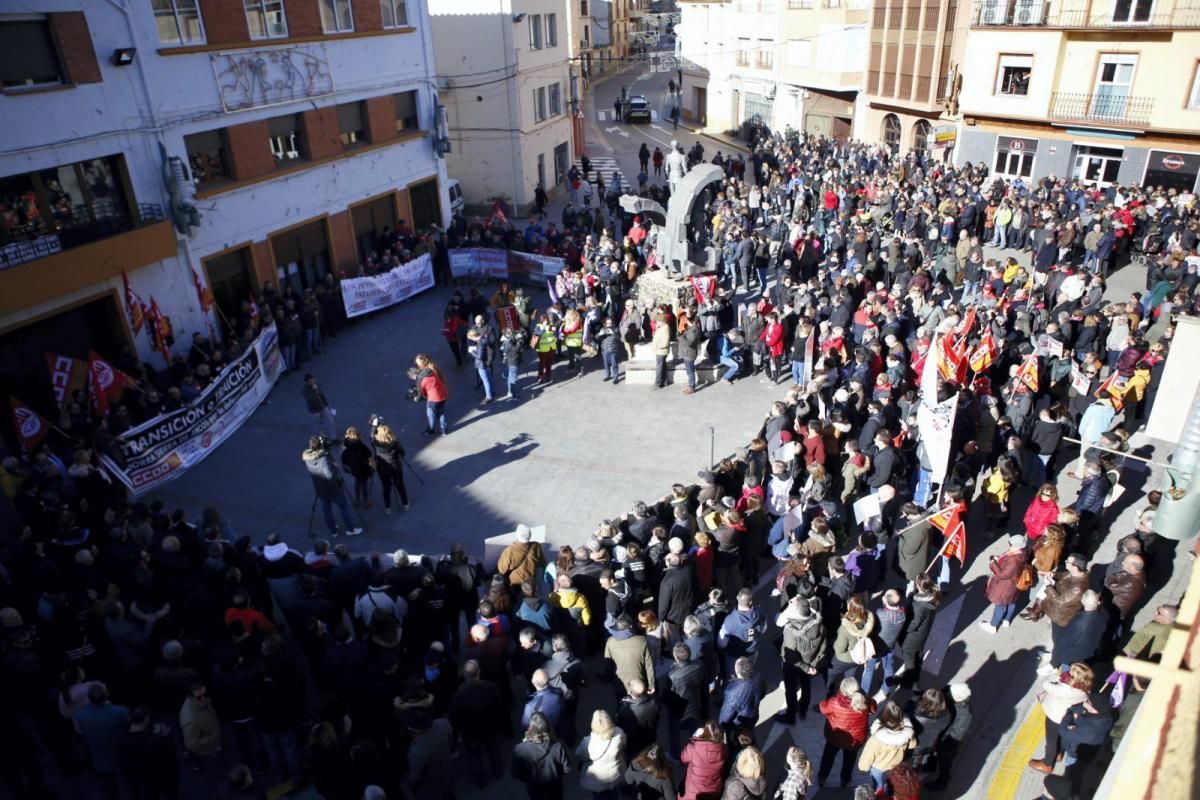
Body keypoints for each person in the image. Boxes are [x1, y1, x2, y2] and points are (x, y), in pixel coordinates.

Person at [1029, 663, 1095, 773]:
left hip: (1055, 716)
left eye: (1071, 672)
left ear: (1075, 679)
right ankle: (1059, 753)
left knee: (1051, 740)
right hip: (1068, 717)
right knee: (1062, 735)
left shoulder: (1065, 689)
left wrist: (1058, 677)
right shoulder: (1085, 688)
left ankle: (1047, 764)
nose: (1068, 672)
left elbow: (1046, 684)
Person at [817, 677, 874, 788]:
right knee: (849, 761)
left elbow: (822, 708)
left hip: (835, 737)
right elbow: (874, 708)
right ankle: (845, 780)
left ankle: (822, 777)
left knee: (828, 757)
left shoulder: (835, 702)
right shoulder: (865, 700)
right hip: (856, 740)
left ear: (842, 691)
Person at [302, 435, 362, 537]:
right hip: (334, 489)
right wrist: (335, 467)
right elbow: (330, 475)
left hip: (320, 490)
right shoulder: (324, 459)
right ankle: (350, 529)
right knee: (343, 507)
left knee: (327, 511)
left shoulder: (308, 459)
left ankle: (333, 531)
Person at [857, 701, 916, 792]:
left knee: (878, 785)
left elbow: (867, 757)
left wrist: (863, 767)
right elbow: (913, 744)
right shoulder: (907, 733)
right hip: (895, 764)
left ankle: (880, 794)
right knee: (891, 783)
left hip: (879, 768)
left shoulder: (877, 738)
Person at [980, 535, 1028, 632]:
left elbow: (1002, 575)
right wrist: (1000, 559)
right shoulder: (1022, 553)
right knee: (1011, 602)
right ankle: (1006, 621)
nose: (1009, 546)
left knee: (1000, 605)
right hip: (1013, 586)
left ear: (1017, 546)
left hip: (1005, 586)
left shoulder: (1014, 561)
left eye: (1011, 544)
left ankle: (992, 626)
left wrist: (993, 563)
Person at [577, 709, 627, 800]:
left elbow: (581, 755)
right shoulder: (619, 732)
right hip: (615, 772)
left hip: (597, 779)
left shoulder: (587, 742)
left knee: (599, 797)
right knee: (613, 794)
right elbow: (624, 745)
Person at [370, 421, 410, 513]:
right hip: (396, 466)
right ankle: (406, 504)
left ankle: (388, 508)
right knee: (400, 486)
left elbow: (371, 437)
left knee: (386, 487)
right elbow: (403, 453)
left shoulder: (376, 443)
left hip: (383, 468)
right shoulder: (395, 443)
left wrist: (374, 426)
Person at [680, 721, 726, 800]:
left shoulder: (694, 747)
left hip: (695, 791)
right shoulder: (723, 748)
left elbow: (683, 759)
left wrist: (694, 739)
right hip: (714, 789)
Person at [414, 354, 449, 436]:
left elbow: (421, 393)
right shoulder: (433, 369)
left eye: (418, 364)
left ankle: (431, 429)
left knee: (430, 414)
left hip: (433, 399)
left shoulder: (423, 380)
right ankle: (444, 430)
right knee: (442, 412)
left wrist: (417, 398)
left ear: (421, 365)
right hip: (443, 394)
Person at [340, 426, 374, 509]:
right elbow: (369, 454)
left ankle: (357, 500)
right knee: (364, 484)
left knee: (357, 483)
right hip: (364, 469)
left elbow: (344, 460)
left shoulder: (346, 449)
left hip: (354, 470)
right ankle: (365, 502)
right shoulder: (361, 446)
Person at [302, 373, 336, 441]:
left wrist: (327, 405)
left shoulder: (316, 385)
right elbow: (311, 400)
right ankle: (319, 439)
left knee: (330, 421)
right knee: (316, 426)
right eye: (310, 382)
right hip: (314, 410)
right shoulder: (305, 391)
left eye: (313, 380)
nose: (313, 382)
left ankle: (334, 437)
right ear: (306, 382)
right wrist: (315, 390)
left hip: (323, 406)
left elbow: (322, 395)